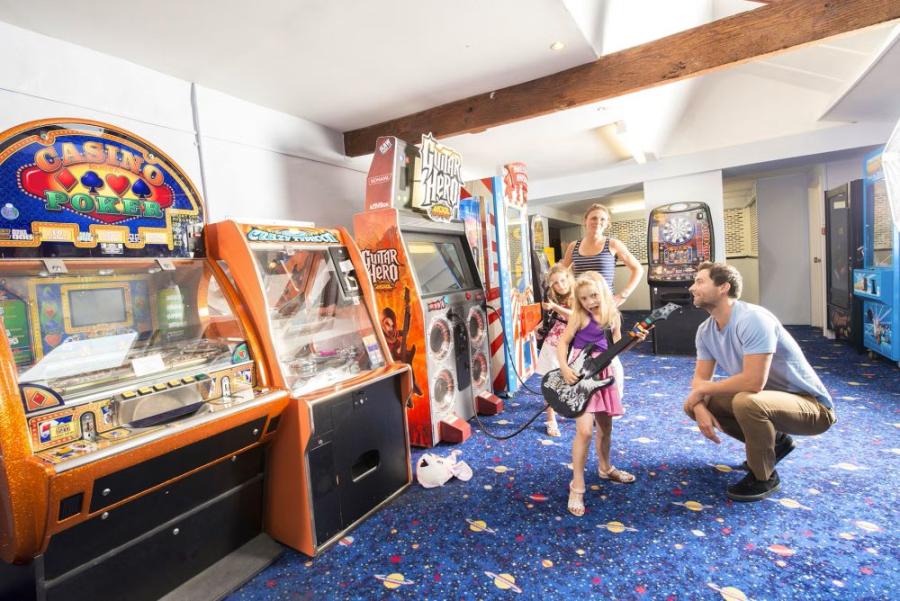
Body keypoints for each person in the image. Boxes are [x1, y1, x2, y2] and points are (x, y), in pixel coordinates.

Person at [684, 262, 836, 502]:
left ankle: (763, 477)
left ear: (723, 287)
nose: (692, 287)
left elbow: (753, 382)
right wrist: (699, 405)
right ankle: (777, 442)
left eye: (700, 281)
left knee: (746, 401)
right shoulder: (705, 330)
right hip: (765, 400)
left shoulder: (753, 318)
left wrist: (701, 391)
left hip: (812, 407)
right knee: (694, 404)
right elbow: (700, 380)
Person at [557, 272, 634, 518]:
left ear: (603, 291)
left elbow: (618, 347)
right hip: (581, 372)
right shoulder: (580, 317)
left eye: (593, 296)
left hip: (605, 373)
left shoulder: (613, 316)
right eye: (584, 298)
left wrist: (636, 340)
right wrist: (564, 367)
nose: (590, 302)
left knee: (605, 427)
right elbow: (562, 342)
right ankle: (576, 485)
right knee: (585, 431)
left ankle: (605, 468)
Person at [561, 202, 643, 401]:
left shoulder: (612, 244)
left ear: (607, 223)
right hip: (581, 306)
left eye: (602, 219)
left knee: (609, 352)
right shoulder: (574, 246)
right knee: (579, 351)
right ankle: (581, 398)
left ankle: (612, 397)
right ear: (585, 221)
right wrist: (567, 295)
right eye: (593, 218)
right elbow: (563, 273)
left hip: (605, 306)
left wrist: (623, 295)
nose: (597, 222)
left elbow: (637, 269)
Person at [535, 263, 576, 437]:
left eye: (562, 280)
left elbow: (574, 316)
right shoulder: (552, 298)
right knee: (550, 380)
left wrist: (555, 307)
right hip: (553, 343)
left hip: (573, 344)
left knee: (574, 378)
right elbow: (553, 318)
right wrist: (539, 326)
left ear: (569, 278)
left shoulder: (577, 295)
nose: (560, 285)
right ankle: (550, 419)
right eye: (555, 283)